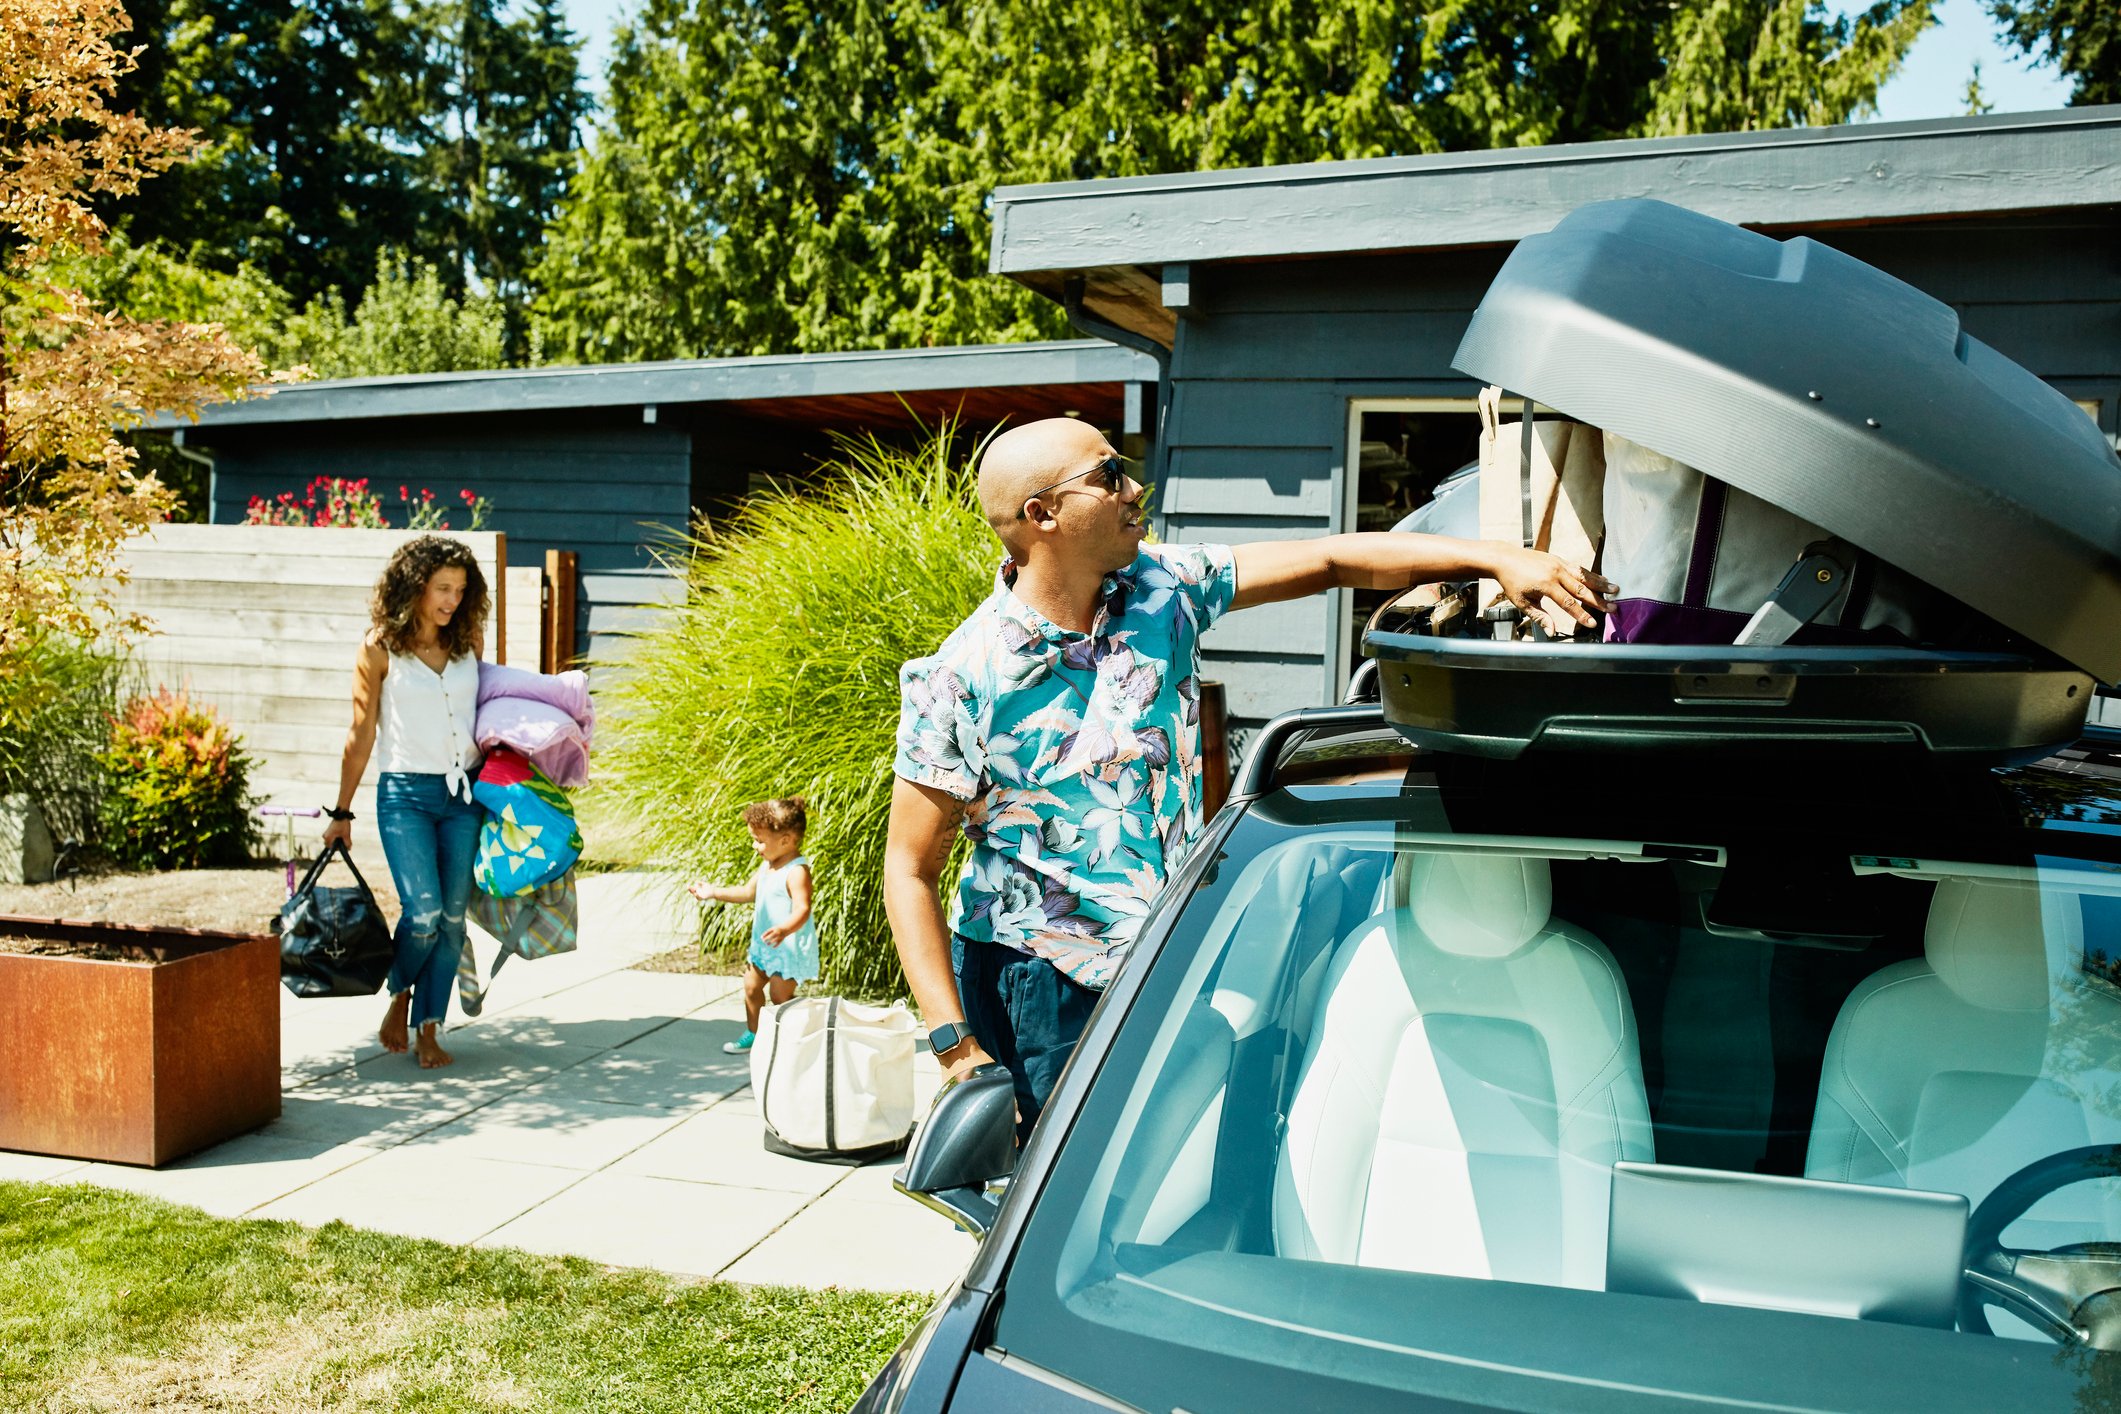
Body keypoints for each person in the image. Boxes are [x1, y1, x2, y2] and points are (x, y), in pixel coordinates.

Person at [885, 418, 1614, 1140]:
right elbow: (909, 870)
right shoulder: (960, 678)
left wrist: (1491, 559)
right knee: (1050, 1208)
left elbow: (1333, 559)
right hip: (1042, 984)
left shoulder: (1159, 587)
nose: (1134, 486)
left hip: (1158, 956)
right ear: (1041, 514)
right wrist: (956, 1048)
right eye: (1108, 476)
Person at [322, 535, 488, 1070]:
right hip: (406, 797)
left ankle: (429, 1026)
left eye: (460, 590)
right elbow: (361, 732)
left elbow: (486, 714)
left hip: (463, 794)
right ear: (414, 586)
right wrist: (342, 812)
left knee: (455, 919)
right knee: (425, 913)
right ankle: (400, 994)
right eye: (442, 588)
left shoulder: (469, 641)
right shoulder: (378, 646)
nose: (451, 601)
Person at [689, 796, 818, 1055]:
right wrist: (713, 892)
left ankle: (803, 1030)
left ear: (786, 840)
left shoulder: (797, 871)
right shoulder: (766, 866)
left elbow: (803, 909)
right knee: (751, 987)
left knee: (781, 997)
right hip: (764, 945)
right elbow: (747, 892)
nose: (754, 845)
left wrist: (784, 929)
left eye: (760, 841)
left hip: (787, 947)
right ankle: (755, 1033)